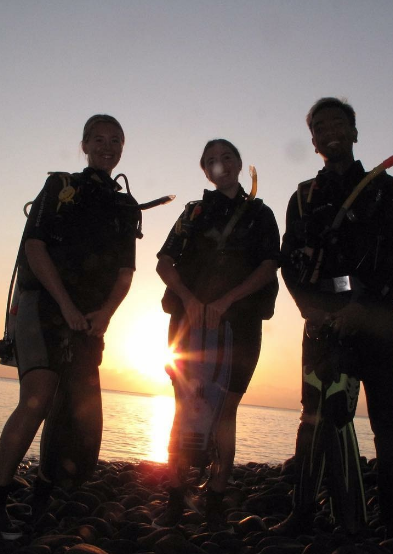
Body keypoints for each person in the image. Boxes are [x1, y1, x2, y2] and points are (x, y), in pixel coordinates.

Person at [0, 114, 142, 539]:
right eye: (99, 139)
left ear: (122, 148)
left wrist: (103, 315)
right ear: (84, 144)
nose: (108, 146)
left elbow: (126, 272)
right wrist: (66, 305)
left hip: (90, 318)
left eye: (116, 140)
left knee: (74, 412)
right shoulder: (59, 187)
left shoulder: (125, 206)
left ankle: (40, 499)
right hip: (42, 305)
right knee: (38, 397)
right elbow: (35, 247)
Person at [272, 97, 393, 537]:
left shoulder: (386, 189)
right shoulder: (302, 197)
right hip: (321, 326)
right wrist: (308, 310)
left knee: (386, 422)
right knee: (313, 420)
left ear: (355, 132)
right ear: (313, 140)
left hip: (375, 320)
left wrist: (363, 305)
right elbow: (287, 261)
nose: (330, 131)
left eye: (339, 123)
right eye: (320, 126)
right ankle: (303, 513)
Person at [154, 138, 280, 531]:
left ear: (240, 164)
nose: (220, 164)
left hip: (239, 326)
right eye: (211, 160)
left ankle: (215, 499)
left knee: (226, 411)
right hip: (188, 325)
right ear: (204, 171)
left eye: (227, 156)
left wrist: (227, 300)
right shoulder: (193, 212)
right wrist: (190, 300)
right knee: (183, 407)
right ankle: (175, 496)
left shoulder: (261, 215)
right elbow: (164, 262)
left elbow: (268, 265)